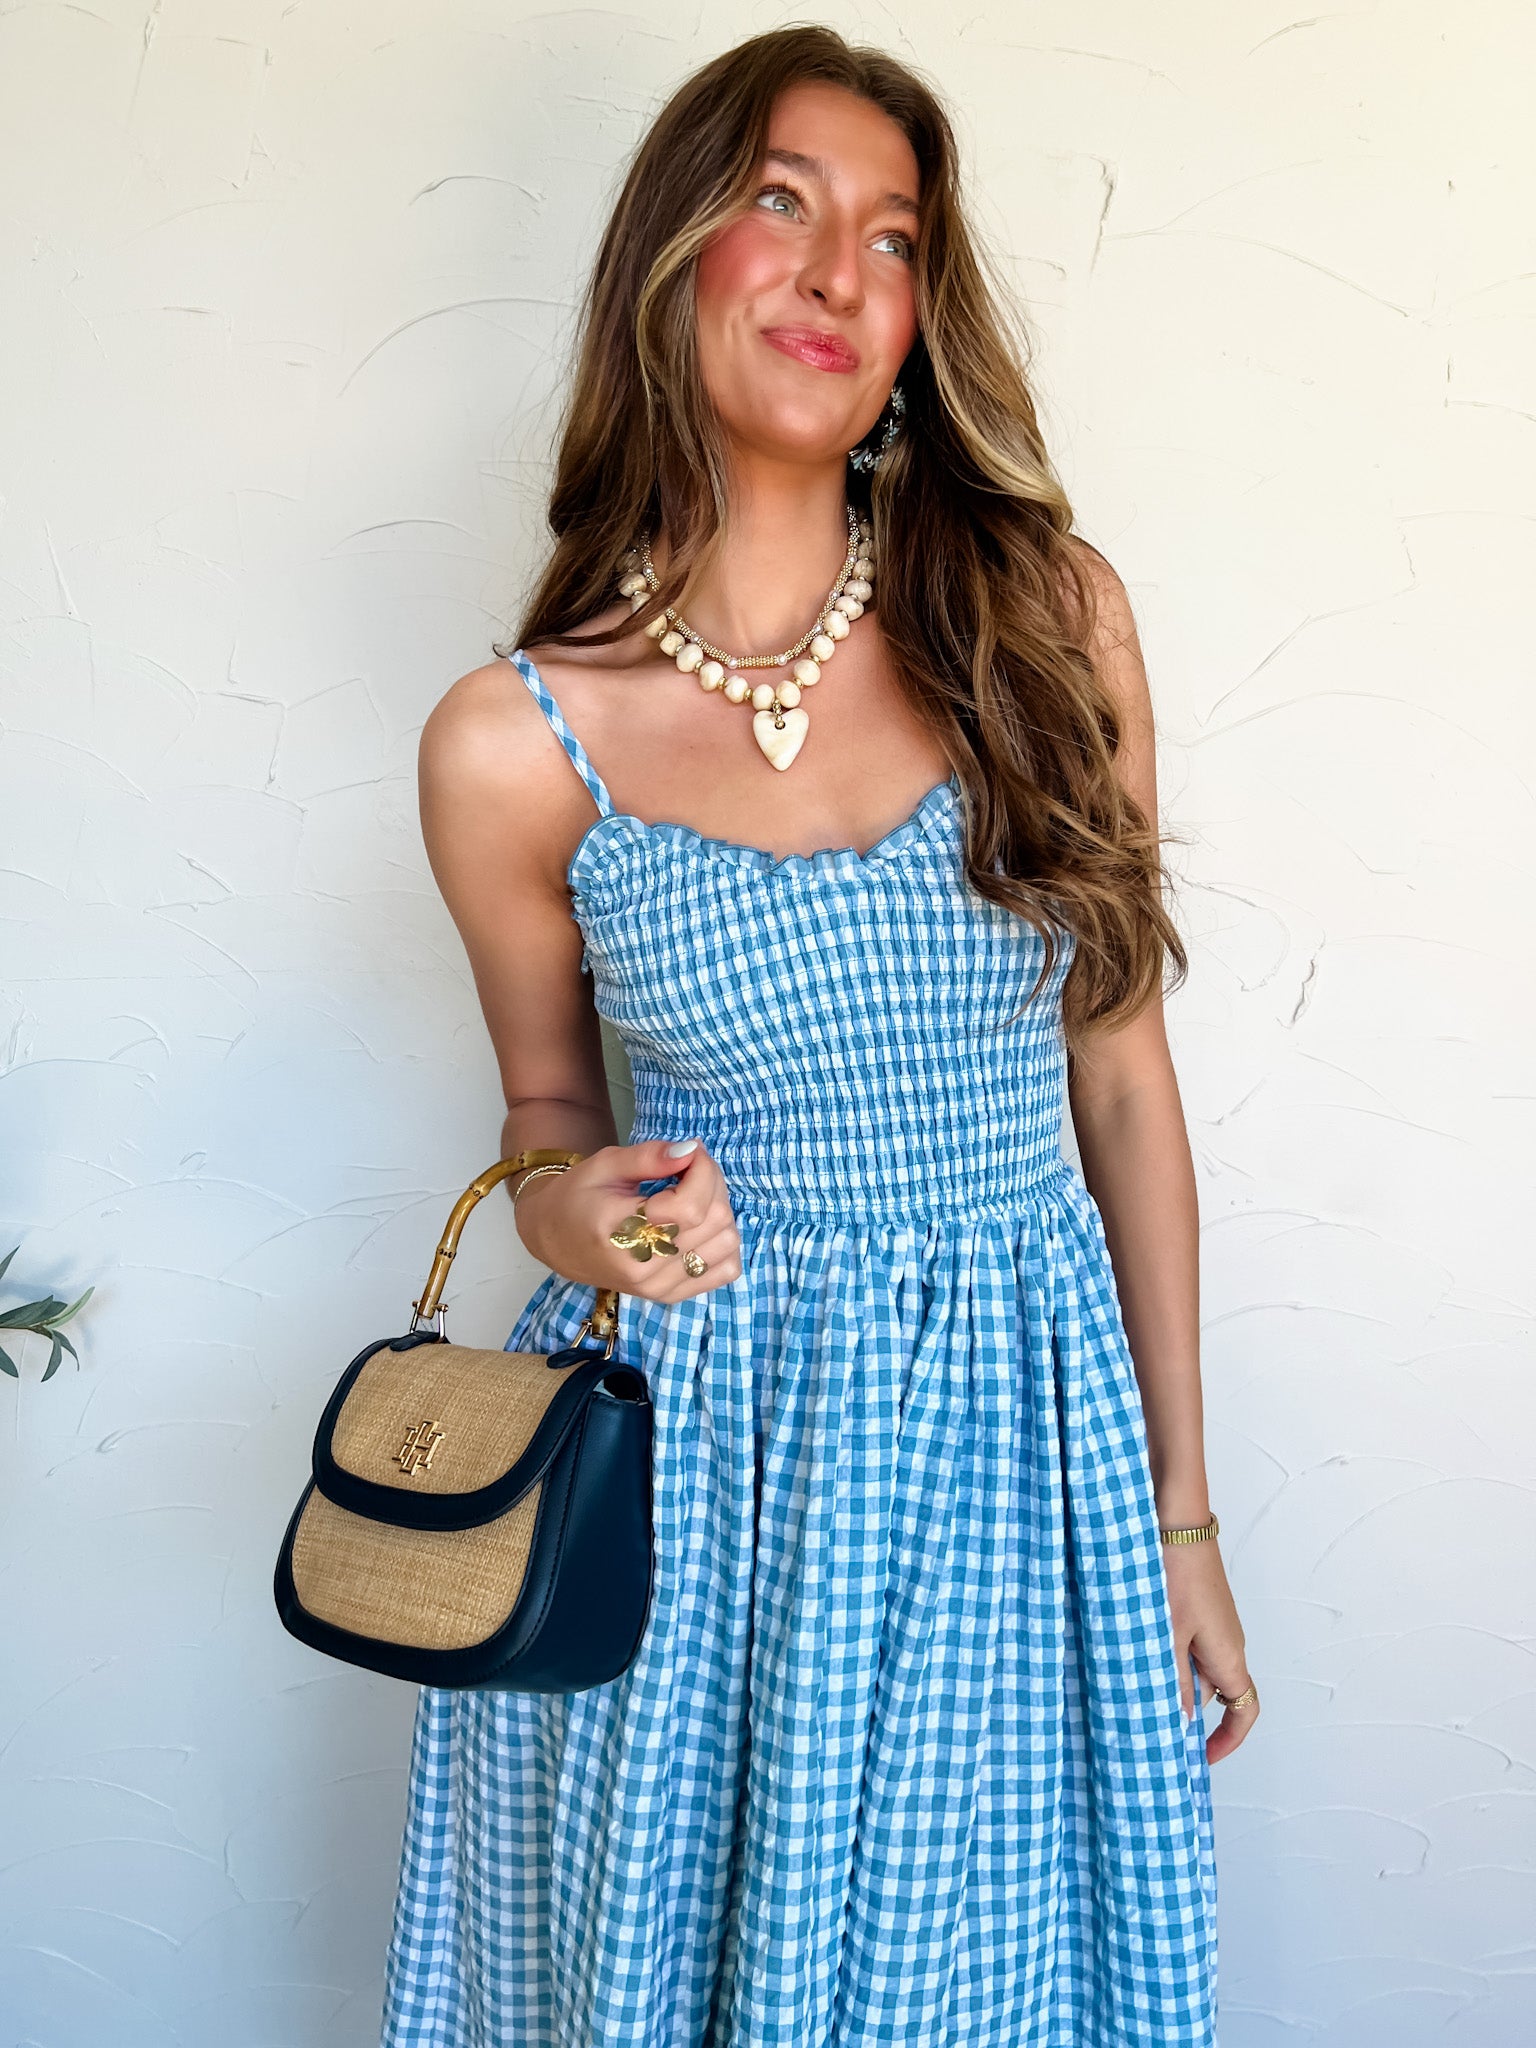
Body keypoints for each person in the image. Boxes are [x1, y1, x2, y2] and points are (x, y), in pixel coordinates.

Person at [379, 24, 1258, 2047]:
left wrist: (1182, 1519)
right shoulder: (513, 743)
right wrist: (581, 1214)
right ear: (673, 251)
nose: (840, 273)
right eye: (782, 200)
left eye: (894, 235)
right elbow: (544, 1116)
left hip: (1013, 1458)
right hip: (701, 1479)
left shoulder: (1049, 624)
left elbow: (1125, 1084)